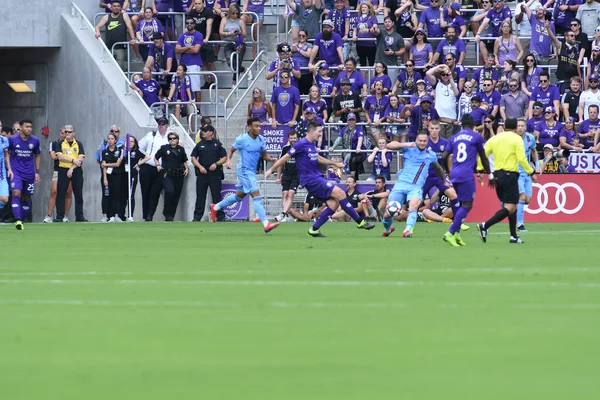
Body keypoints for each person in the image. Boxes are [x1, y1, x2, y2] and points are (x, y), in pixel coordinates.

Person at [266, 122, 376, 237]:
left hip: (316, 177)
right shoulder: (300, 144)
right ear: (311, 131)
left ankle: (314, 229)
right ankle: (360, 222)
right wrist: (271, 169)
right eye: (319, 131)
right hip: (311, 180)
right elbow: (285, 157)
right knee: (341, 193)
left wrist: (334, 163)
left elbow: (317, 158)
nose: (320, 134)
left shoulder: (311, 144)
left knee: (333, 204)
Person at [210, 117, 279, 232]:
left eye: (259, 126)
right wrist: (228, 160)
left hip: (251, 171)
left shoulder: (261, 139)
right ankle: (266, 224)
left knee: (239, 196)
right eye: (256, 126)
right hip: (244, 171)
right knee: (256, 195)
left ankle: (215, 207)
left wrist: (272, 159)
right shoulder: (242, 139)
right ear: (249, 127)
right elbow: (231, 150)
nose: (259, 128)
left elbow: (264, 155)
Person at [476, 118, 536, 245]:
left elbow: (482, 154)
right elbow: (522, 158)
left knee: (512, 207)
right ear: (515, 128)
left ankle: (513, 236)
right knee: (510, 207)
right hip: (510, 175)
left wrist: (480, 170)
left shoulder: (495, 139)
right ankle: (485, 225)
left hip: (497, 176)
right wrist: (531, 172)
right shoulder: (516, 139)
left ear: (503, 127)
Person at [381, 132, 446, 238]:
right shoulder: (409, 148)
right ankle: (388, 229)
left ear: (427, 142)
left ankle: (408, 230)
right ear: (416, 140)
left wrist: (443, 180)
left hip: (416, 187)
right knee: (388, 213)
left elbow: (438, 168)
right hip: (401, 184)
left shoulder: (431, 155)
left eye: (424, 141)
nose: (422, 143)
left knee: (413, 206)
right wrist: (405, 145)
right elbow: (389, 145)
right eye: (420, 140)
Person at [441, 114, 491, 247]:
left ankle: (456, 234)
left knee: (462, 203)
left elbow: (444, 156)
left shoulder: (454, 138)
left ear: (462, 125)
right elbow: (483, 157)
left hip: (455, 174)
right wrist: (489, 173)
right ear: (474, 125)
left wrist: (449, 171)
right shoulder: (476, 137)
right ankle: (450, 233)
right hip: (466, 174)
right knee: (468, 204)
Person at [4, 119, 40, 230]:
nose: (29, 129)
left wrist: (37, 172)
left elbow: (37, 155)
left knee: (26, 197)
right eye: (26, 127)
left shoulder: (35, 140)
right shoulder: (12, 140)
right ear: (21, 127)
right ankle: (18, 219)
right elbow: (7, 155)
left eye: (30, 127)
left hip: (29, 173)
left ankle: (22, 219)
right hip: (16, 172)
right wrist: (9, 169)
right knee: (16, 192)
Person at [190, 124, 226, 221]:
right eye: (203, 131)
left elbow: (224, 158)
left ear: (211, 132)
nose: (203, 132)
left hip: (215, 174)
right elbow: (193, 158)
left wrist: (216, 164)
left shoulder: (217, 144)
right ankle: (197, 217)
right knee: (200, 197)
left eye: (205, 131)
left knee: (217, 196)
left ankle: (220, 216)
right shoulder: (200, 144)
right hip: (202, 174)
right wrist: (200, 167)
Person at [138, 117, 170, 221]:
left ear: (167, 125)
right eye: (160, 124)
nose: (161, 127)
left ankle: (150, 214)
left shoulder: (169, 137)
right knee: (145, 192)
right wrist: (145, 156)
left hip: (160, 168)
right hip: (148, 166)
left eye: (163, 124)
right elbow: (138, 146)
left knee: (155, 193)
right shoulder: (151, 135)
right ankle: (146, 215)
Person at [54, 125, 87, 223]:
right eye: (66, 132)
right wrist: (72, 160)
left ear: (73, 133)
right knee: (61, 193)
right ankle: (60, 216)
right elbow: (60, 157)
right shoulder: (60, 144)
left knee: (78, 193)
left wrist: (71, 168)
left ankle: (79, 216)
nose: (67, 134)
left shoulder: (78, 144)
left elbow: (80, 159)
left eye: (69, 132)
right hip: (63, 169)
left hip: (76, 170)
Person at [153, 131, 189, 221]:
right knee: (170, 191)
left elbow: (184, 160)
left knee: (176, 195)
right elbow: (155, 157)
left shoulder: (181, 149)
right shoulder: (164, 148)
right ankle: (166, 211)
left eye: (174, 138)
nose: (172, 140)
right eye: (170, 138)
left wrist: (187, 168)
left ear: (177, 140)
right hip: (167, 174)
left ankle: (170, 216)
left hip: (178, 174)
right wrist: (158, 165)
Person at [95, 1, 137, 71]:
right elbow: (98, 27)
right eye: (114, 6)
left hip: (120, 47)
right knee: (108, 67)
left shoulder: (124, 15)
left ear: (120, 7)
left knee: (119, 68)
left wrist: (132, 38)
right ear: (111, 8)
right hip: (108, 47)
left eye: (118, 6)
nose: (116, 8)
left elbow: (130, 27)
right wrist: (98, 32)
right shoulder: (106, 17)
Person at [43, 127, 72, 223]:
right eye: (64, 132)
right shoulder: (54, 143)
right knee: (54, 191)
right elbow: (53, 156)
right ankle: (49, 215)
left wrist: (61, 155)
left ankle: (65, 216)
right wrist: (62, 155)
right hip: (58, 170)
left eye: (67, 132)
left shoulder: (71, 144)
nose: (65, 134)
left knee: (68, 192)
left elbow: (73, 156)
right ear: (60, 133)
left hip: (68, 170)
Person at [515, 118, 538, 232]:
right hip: (516, 172)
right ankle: (520, 225)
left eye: (522, 126)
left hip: (527, 172)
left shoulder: (530, 138)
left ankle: (506, 202)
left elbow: (534, 151)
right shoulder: (512, 140)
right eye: (518, 126)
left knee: (527, 200)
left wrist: (537, 164)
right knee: (522, 197)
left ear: (525, 127)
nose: (520, 128)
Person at [425, 64, 459, 139]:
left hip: (452, 118)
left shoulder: (455, 84)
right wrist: (440, 66)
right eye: (443, 75)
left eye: (447, 75)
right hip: (440, 118)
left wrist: (451, 78)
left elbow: (456, 93)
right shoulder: (437, 83)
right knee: (440, 142)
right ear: (440, 75)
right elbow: (428, 73)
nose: (445, 76)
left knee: (449, 144)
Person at [220, 3, 249, 85]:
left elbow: (244, 34)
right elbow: (220, 32)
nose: (235, 15)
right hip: (228, 42)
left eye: (237, 13)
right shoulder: (224, 20)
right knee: (230, 61)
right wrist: (229, 33)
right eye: (233, 13)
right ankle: (244, 70)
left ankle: (234, 83)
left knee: (237, 62)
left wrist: (238, 33)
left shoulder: (240, 21)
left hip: (238, 42)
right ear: (230, 12)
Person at [276, 131, 300, 222]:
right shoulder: (285, 148)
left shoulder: (300, 148)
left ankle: (283, 214)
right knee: (284, 194)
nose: (293, 139)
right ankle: (285, 215)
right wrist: (278, 176)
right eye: (291, 138)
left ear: (297, 138)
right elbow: (280, 163)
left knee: (291, 193)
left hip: (296, 175)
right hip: (286, 174)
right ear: (288, 139)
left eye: (294, 138)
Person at [101, 132, 125, 222]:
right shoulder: (104, 151)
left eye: (112, 139)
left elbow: (118, 164)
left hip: (117, 175)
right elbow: (103, 166)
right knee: (106, 195)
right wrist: (104, 178)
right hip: (108, 175)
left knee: (116, 195)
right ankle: (105, 215)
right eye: (109, 139)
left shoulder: (119, 151)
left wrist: (106, 164)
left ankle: (116, 215)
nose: (110, 141)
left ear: (115, 141)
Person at [123, 135, 145, 221]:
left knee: (130, 195)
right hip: (123, 174)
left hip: (132, 175)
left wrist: (139, 163)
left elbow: (148, 157)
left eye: (132, 141)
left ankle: (130, 215)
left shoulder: (137, 151)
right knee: (123, 195)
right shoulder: (123, 150)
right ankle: (121, 215)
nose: (130, 143)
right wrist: (125, 149)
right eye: (129, 141)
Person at [353, 2, 379, 66]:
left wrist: (369, 30)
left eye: (365, 7)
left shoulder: (373, 17)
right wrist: (354, 35)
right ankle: (363, 76)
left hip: (370, 44)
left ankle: (372, 76)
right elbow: (355, 29)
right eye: (362, 7)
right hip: (360, 44)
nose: (363, 9)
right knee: (362, 63)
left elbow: (375, 28)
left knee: (371, 63)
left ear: (369, 9)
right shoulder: (358, 18)